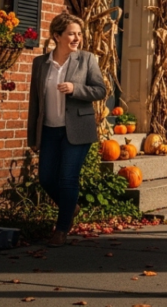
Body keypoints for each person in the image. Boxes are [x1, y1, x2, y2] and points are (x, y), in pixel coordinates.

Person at [27, 13, 107, 247]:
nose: (77, 38)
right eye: (71, 33)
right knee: (46, 178)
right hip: (50, 130)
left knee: (67, 179)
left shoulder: (87, 59)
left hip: (77, 130)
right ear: (57, 36)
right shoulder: (40, 64)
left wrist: (75, 88)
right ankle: (71, 206)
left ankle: (61, 230)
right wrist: (33, 135)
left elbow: (100, 90)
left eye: (79, 34)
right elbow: (34, 102)